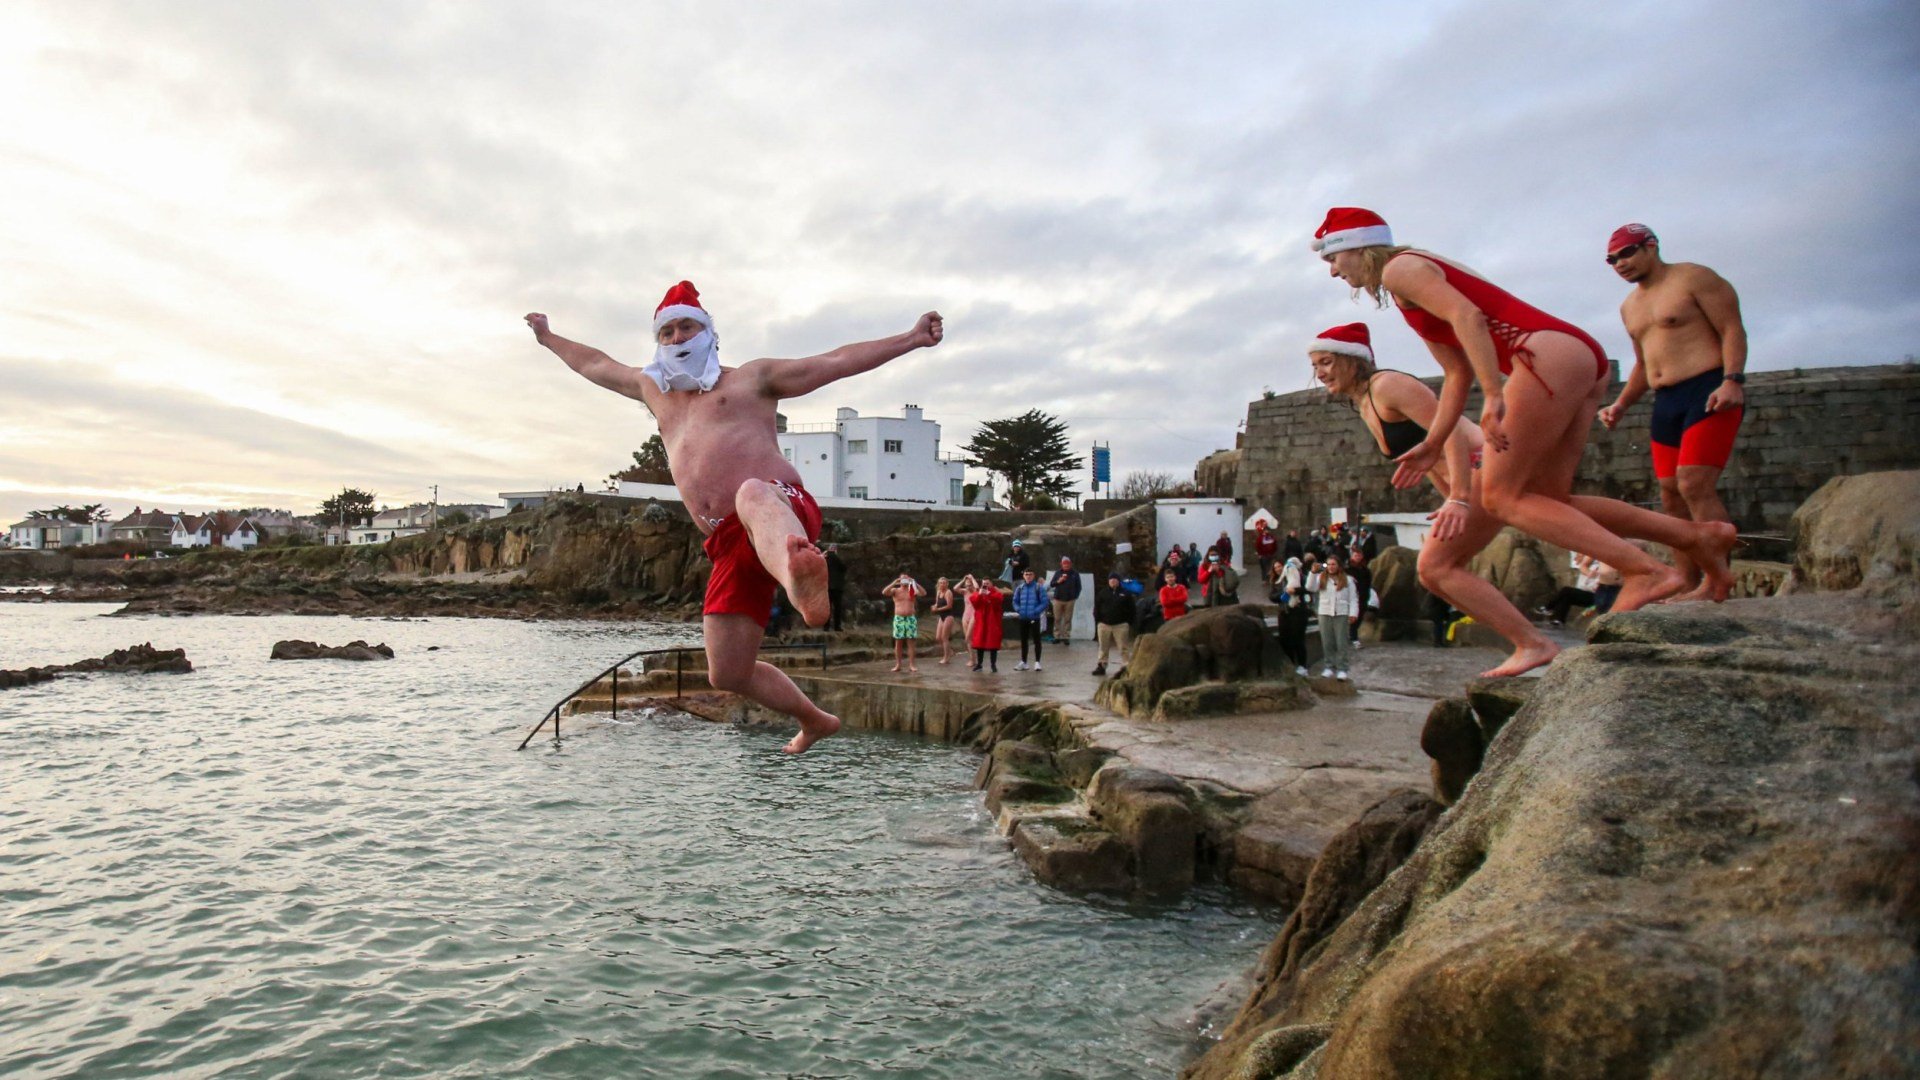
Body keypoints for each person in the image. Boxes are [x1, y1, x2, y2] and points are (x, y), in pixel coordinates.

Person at [526, 283, 942, 754]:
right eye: (667, 330)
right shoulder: (653, 390)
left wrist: (910, 339)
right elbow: (595, 364)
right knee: (726, 672)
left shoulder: (750, 379)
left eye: (688, 326)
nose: (678, 336)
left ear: (709, 333)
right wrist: (548, 338)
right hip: (727, 541)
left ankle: (798, 578)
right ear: (657, 341)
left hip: (778, 507)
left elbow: (833, 362)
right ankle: (814, 719)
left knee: (749, 492)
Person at [1312, 206, 1736, 615]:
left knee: (1500, 496)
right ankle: (1697, 535)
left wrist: (1495, 395)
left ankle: (1644, 571)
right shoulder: (1408, 285)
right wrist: (1434, 442)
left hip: (1538, 354)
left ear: (1359, 248)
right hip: (1578, 357)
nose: (1333, 271)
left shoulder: (1399, 268)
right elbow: (1456, 373)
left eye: (1334, 257)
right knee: (1550, 500)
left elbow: (1468, 316)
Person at [1599, 223, 1749, 603]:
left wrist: (1732, 380)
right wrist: (1620, 404)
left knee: (1694, 483)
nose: (1620, 264)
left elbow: (1732, 328)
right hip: (1665, 400)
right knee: (1670, 495)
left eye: (1627, 253)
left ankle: (1717, 580)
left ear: (1651, 246)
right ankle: (1684, 577)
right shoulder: (1629, 307)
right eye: (1611, 259)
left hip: (1707, 387)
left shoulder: (1693, 278)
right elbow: (1642, 365)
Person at [1307, 557, 1358, 681]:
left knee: (1341, 642)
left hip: (1341, 612)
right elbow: (1310, 588)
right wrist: (1312, 573)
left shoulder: (1348, 580)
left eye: (1333, 564)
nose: (1331, 567)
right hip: (1325, 612)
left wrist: (1353, 613)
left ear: (1338, 565)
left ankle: (1342, 668)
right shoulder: (1321, 578)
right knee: (1327, 641)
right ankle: (1329, 666)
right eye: (1328, 564)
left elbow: (1353, 598)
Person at [1272, 556, 1311, 675]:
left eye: (1280, 566)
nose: (1278, 569)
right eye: (1276, 567)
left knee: (1298, 639)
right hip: (1284, 612)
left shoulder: (1301, 577)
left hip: (1298, 612)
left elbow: (1308, 589)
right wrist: (1283, 593)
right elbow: (1272, 596)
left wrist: (1295, 591)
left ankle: (1302, 665)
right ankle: (1290, 664)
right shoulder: (1277, 581)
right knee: (1285, 639)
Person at [1539, 554, 1602, 626]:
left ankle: (1548, 607)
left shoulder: (1607, 571)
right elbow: (1583, 565)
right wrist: (1590, 573)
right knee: (1566, 597)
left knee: (1566, 591)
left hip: (1597, 597)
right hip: (1588, 592)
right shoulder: (1595, 564)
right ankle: (1558, 620)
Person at [1092, 571, 1134, 677]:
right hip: (1104, 624)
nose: (1113, 581)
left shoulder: (1126, 593)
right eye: (1111, 580)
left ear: (1118, 581)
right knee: (1103, 646)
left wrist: (1128, 622)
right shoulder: (1103, 593)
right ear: (1108, 581)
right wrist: (1099, 620)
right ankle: (1102, 665)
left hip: (1120, 625)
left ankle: (1126, 666)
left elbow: (1132, 609)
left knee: (1123, 647)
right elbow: (1097, 608)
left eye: (1115, 580)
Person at [881, 569, 923, 673]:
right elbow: (884, 592)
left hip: (910, 618)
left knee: (911, 642)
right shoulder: (895, 590)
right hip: (899, 618)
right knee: (898, 642)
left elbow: (923, 593)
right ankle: (898, 664)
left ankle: (912, 665)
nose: (904, 581)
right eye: (902, 579)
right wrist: (895, 582)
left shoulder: (912, 590)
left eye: (906, 579)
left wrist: (914, 582)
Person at [1010, 569, 1050, 671]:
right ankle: (1024, 661)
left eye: (1030, 574)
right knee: (1024, 640)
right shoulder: (1020, 588)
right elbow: (1015, 601)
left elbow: (1045, 602)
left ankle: (1037, 662)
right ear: (1023, 576)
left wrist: (1036, 611)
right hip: (1023, 617)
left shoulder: (1038, 588)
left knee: (1037, 640)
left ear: (1033, 575)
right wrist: (1019, 609)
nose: (1028, 576)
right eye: (1026, 574)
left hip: (1034, 618)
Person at [964, 575, 1005, 672]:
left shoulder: (996, 593)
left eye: (987, 583)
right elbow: (973, 601)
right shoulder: (979, 593)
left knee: (993, 644)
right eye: (983, 584)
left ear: (991, 584)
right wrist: (980, 594)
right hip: (981, 622)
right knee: (979, 643)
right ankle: (979, 664)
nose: (985, 585)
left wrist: (988, 594)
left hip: (992, 622)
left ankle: (993, 665)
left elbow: (998, 600)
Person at [1047, 556, 1082, 645]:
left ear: (1070, 564)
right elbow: (1052, 584)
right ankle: (1057, 636)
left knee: (1068, 619)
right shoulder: (1058, 573)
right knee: (1057, 619)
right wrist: (1059, 581)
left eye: (1067, 564)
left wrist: (1075, 596)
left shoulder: (1075, 574)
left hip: (1070, 600)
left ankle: (1066, 637)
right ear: (1061, 564)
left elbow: (1079, 586)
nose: (1066, 565)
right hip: (1058, 599)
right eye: (1064, 564)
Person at [930, 577, 959, 665]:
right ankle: (950, 651)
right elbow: (937, 603)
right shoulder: (938, 592)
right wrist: (934, 606)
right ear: (938, 584)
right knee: (938, 637)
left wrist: (937, 609)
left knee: (944, 638)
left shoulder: (948, 592)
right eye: (941, 583)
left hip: (948, 616)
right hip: (941, 616)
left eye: (944, 583)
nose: (942, 584)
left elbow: (949, 606)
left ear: (947, 584)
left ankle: (946, 658)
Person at [823, 543, 849, 631]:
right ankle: (837, 627)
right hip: (837, 587)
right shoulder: (837, 558)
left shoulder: (824, 558)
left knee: (827, 607)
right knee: (837, 608)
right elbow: (844, 568)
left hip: (827, 586)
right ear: (835, 550)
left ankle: (826, 627)